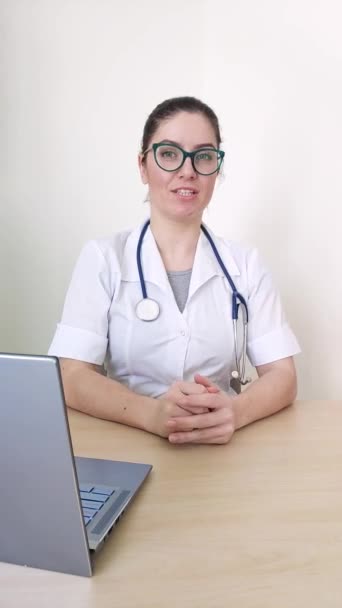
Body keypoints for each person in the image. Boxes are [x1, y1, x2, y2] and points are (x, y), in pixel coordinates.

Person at [48, 96, 300, 445]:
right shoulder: (103, 258)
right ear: (142, 166)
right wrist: (151, 414)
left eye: (204, 156)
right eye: (169, 154)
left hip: (220, 446)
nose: (188, 170)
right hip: (127, 440)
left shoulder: (245, 264)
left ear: (217, 169)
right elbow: (71, 374)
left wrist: (235, 412)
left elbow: (283, 376)